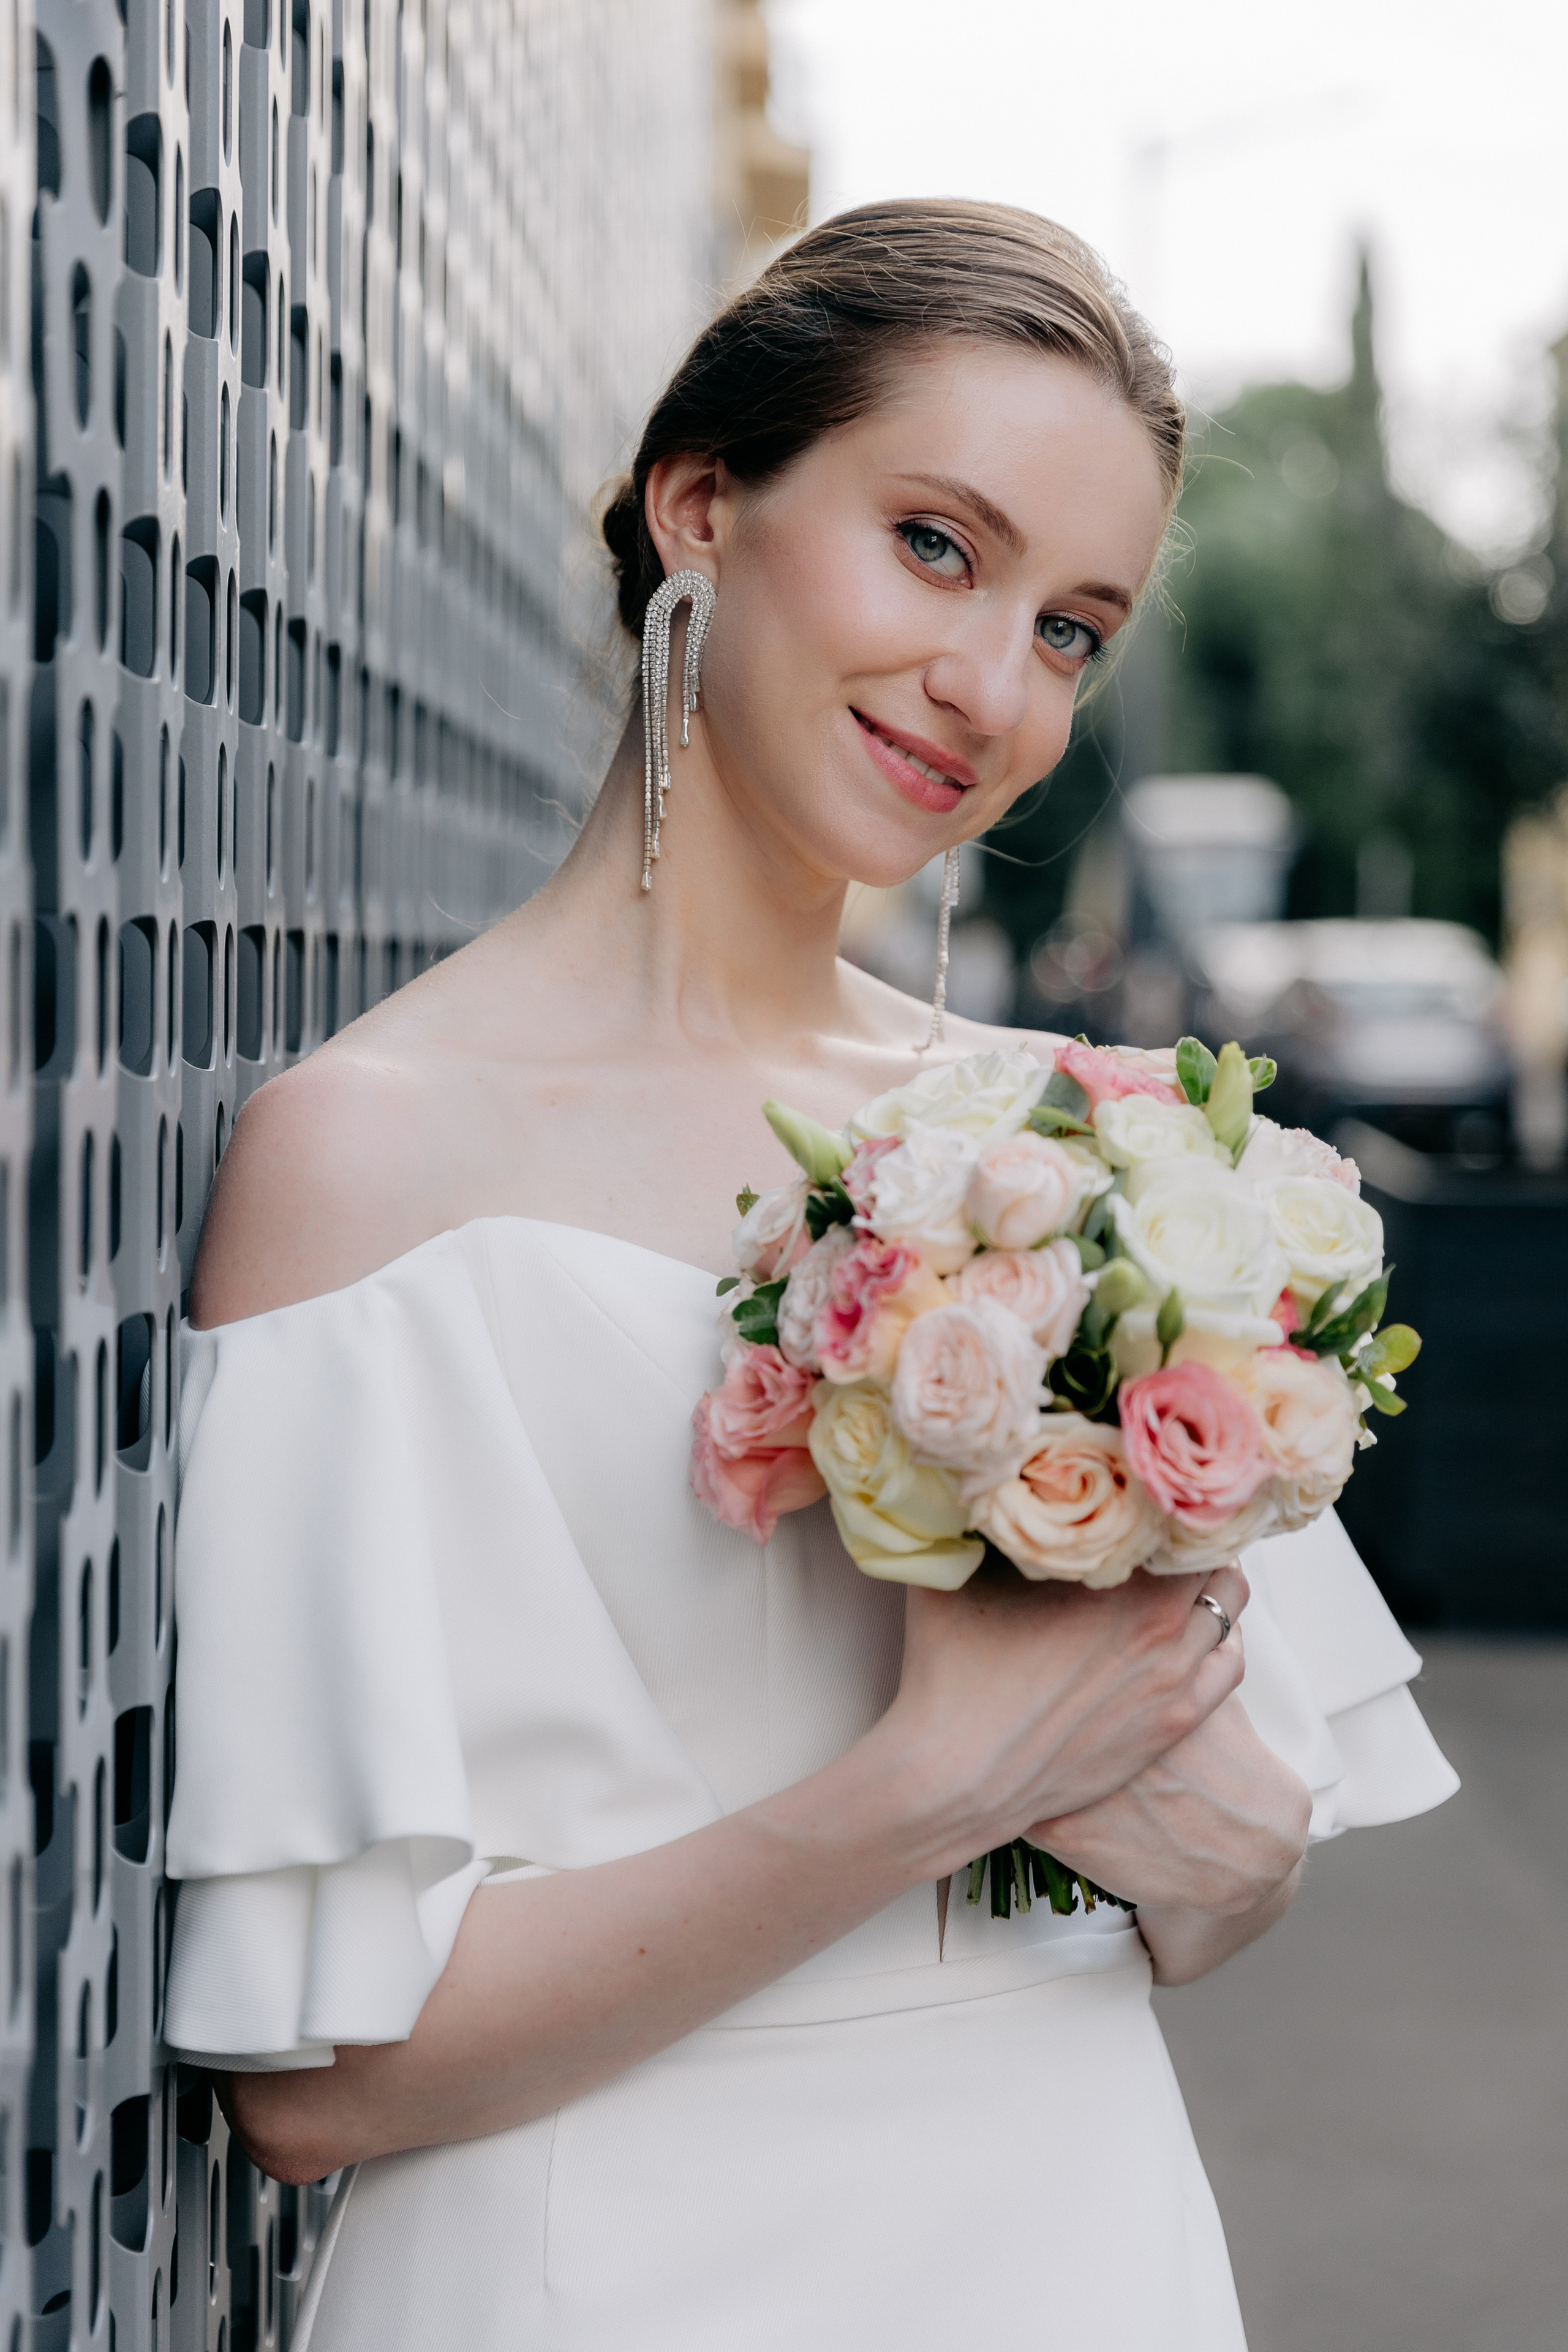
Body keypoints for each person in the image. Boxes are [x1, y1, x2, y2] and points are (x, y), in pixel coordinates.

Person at [164, 200, 1457, 2349]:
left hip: (1069, 2237)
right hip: (600, 2271)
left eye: (1072, 627)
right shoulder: (365, 1153)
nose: (991, 686)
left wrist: (1212, 1832)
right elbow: (316, 2086)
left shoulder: (1101, 1150)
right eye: (938, 545)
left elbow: (1223, 1885)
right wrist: (928, 1791)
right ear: (702, 505)